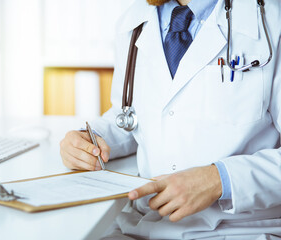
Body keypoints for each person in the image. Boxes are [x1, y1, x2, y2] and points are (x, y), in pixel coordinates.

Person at [60, 0, 281, 239]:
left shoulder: (270, 19)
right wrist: (88, 142)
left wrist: (219, 180)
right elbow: (128, 117)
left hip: (239, 230)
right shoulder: (134, 21)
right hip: (140, 225)